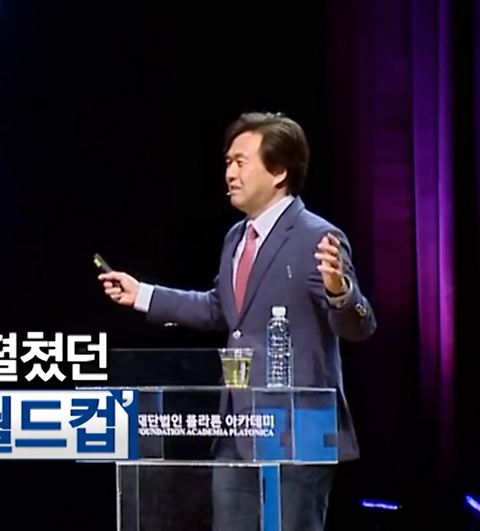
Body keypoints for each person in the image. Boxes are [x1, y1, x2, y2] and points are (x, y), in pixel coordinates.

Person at [100, 112, 377, 531]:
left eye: (241, 162)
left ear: (279, 171)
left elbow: (360, 326)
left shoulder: (317, 237)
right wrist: (143, 294)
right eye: (228, 162)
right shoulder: (236, 238)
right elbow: (220, 309)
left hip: (295, 433)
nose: (230, 173)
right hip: (237, 429)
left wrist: (341, 292)